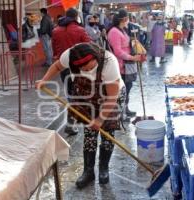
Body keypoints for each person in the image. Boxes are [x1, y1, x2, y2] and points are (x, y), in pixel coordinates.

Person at [36, 42, 126, 188]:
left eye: (92, 67)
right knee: (90, 133)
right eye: (84, 69)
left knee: (107, 131)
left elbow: (111, 97)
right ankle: (88, 171)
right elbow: (57, 66)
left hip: (111, 97)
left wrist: (100, 118)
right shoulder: (69, 56)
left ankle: (104, 168)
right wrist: (44, 80)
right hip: (88, 96)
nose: (89, 71)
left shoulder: (109, 62)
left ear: (96, 58)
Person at [51, 8, 91, 135]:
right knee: (78, 95)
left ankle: (74, 119)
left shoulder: (56, 31)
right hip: (78, 67)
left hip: (63, 66)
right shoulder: (80, 30)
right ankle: (72, 121)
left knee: (71, 94)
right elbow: (88, 48)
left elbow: (54, 50)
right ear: (76, 17)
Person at [107, 9, 142, 119]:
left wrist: (133, 42)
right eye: (127, 18)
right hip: (120, 65)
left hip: (128, 65)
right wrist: (132, 57)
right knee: (122, 90)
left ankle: (125, 109)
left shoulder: (122, 30)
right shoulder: (114, 32)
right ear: (123, 19)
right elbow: (117, 51)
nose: (129, 20)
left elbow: (125, 44)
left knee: (128, 87)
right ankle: (120, 113)